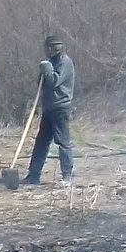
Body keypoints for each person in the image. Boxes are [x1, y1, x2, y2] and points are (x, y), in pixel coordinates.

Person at [24, 34, 76, 187]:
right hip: (48, 108)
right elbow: (41, 83)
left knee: (63, 141)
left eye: (47, 48)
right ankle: (33, 175)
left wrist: (46, 69)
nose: (45, 51)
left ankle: (67, 175)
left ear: (53, 48)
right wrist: (43, 70)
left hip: (61, 108)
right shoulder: (51, 61)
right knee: (41, 142)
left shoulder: (65, 62)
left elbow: (54, 81)